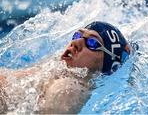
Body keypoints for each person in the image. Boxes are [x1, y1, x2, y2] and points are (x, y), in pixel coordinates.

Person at [0, 21, 130, 114]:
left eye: (92, 43)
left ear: (106, 66)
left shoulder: (70, 88)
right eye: (78, 36)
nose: (76, 42)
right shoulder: (54, 67)